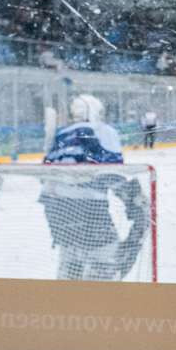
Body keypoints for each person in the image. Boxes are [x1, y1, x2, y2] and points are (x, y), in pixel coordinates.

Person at [40, 94, 149, 280]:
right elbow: (111, 172)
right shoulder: (101, 131)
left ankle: (68, 287)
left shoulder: (61, 134)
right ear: (96, 112)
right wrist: (136, 202)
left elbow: (45, 178)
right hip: (88, 209)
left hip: (55, 210)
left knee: (72, 260)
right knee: (105, 263)